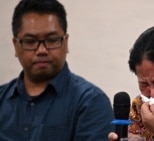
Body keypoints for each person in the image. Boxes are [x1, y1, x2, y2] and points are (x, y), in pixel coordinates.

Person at [0, 0, 114, 140]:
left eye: (52, 40)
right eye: (30, 41)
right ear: (16, 46)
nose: (41, 50)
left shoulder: (90, 102)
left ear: (66, 43)